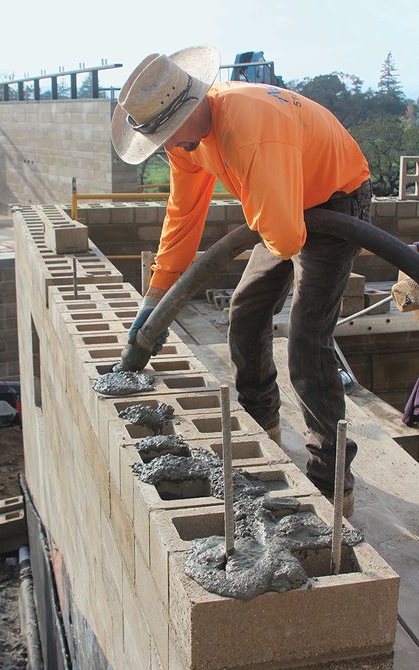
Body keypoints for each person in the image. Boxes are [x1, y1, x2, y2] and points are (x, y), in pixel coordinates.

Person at [111, 46, 372, 517]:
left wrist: (261, 217)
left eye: (172, 135)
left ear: (193, 104)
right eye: (161, 139)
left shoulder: (250, 132)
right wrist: (155, 299)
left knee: (307, 340)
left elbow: (288, 237)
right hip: (285, 201)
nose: (170, 146)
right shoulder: (186, 141)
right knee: (247, 311)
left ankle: (332, 482)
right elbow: (183, 217)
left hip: (336, 203)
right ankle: (262, 428)